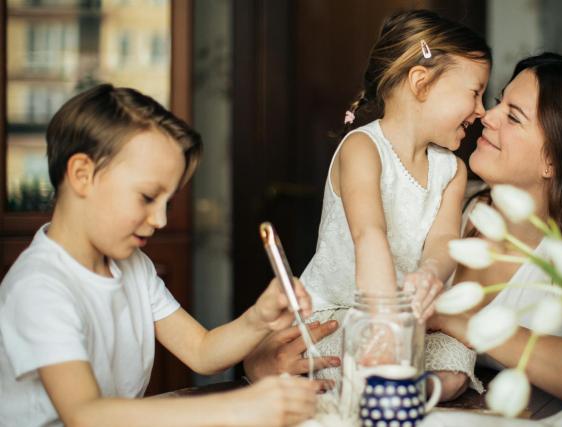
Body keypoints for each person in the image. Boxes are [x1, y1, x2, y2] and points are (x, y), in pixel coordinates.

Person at [0, 84, 317, 427]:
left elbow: (201, 351)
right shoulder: (39, 288)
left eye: (168, 202)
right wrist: (239, 408)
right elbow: (85, 415)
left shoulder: (132, 266)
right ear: (82, 175)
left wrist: (260, 318)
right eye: (148, 197)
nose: (161, 219)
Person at [429, 52, 562, 411]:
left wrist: (470, 324)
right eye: (500, 101)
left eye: (513, 116)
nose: (487, 114)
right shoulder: (454, 204)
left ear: (554, 160)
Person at [296, 9, 491, 400]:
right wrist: (385, 324)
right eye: (475, 93)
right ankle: (385, 385)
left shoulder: (451, 170)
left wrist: (431, 274)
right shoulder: (363, 149)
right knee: (357, 362)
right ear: (421, 83)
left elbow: (443, 242)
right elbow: (369, 235)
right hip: (339, 313)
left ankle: (403, 390)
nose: (482, 110)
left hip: (408, 320)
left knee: (456, 364)